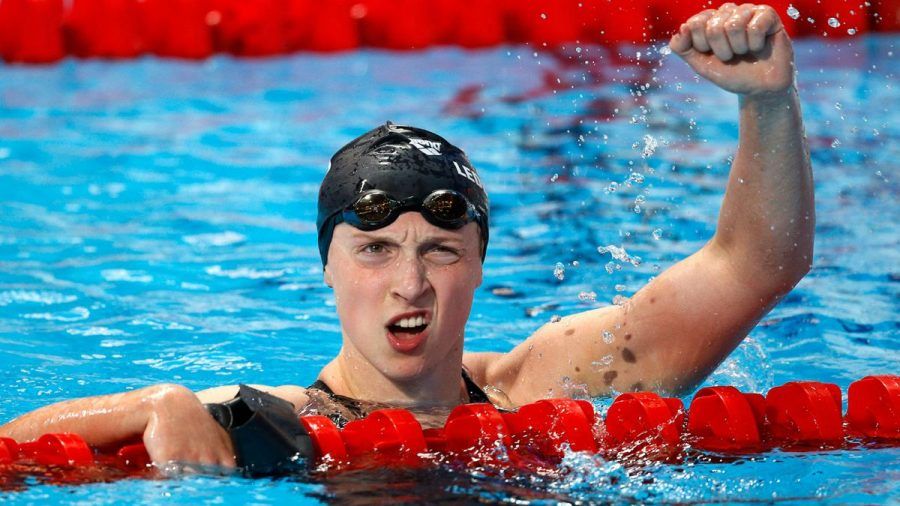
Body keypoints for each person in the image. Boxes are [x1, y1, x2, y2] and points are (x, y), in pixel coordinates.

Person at [0, 3, 813, 470]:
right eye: (376, 249)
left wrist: (768, 104)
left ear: (481, 265)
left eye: (441, 251)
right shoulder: (264, 426)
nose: (410, 284)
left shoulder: (551, 383)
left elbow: (755, 266)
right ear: (328, 267)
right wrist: (153, 403)